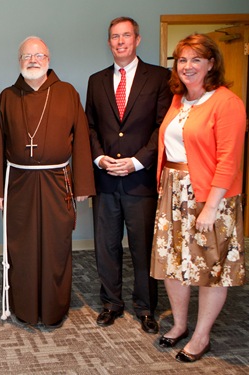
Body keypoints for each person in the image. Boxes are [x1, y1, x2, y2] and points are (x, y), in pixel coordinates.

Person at [150, 33, 246, 362]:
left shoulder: (227, 102)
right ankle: (178, 325)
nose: (188, 66)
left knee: (210, 268)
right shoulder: (178, 100)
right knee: (173, 263)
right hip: (173, 193)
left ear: (211, 63)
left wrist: (211, 207)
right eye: (182, 60)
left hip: (209, 196)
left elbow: (229, 161)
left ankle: (201, 335)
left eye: (195, 59)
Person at [0, 36, 95, 327]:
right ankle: (24, 308)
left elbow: (82, 141)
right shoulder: (8, 97)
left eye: (39, 55)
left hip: (57, 181)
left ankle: (52, 309)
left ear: (48, 59)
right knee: (21, 247)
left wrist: (83, 186)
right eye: (27, 56)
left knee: (56, 245)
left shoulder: (67, 93)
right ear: (19, 61)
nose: (33, 60)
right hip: (19, 183)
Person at [85, 17, 172, 334]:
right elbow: (90, 126)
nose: (120, 41)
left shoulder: (161, 78)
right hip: (105, 180)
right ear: (109, 43)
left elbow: (162, 127)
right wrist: (99, 158)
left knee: (143, 247)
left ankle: (146, 308)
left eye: (125, 35)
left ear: (137, 39)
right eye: (114, 37)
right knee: (105, 247)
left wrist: (137, 162)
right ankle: (111, 304)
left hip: (141, 180)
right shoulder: (96, 81)